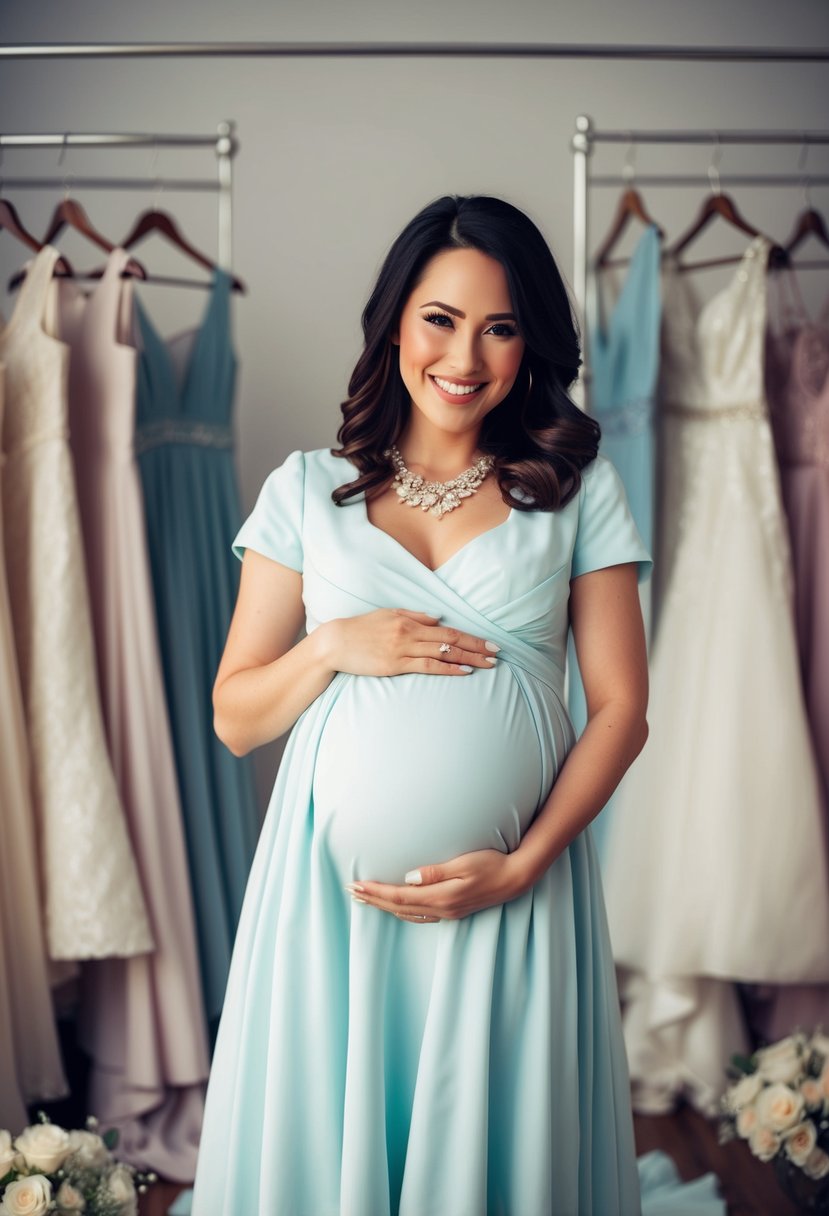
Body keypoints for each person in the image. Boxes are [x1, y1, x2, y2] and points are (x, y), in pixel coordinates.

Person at [188, 194, 652, 1215]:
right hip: (329, 911)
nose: (465, 356)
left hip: (515, 895)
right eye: (440, 318)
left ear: (530, 343)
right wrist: (333, 645)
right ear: (395, 320)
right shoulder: (306, 491)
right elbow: (235, 715)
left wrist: (522, 865)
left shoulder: (576, 490)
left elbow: (621, 709)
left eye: (500, 326)